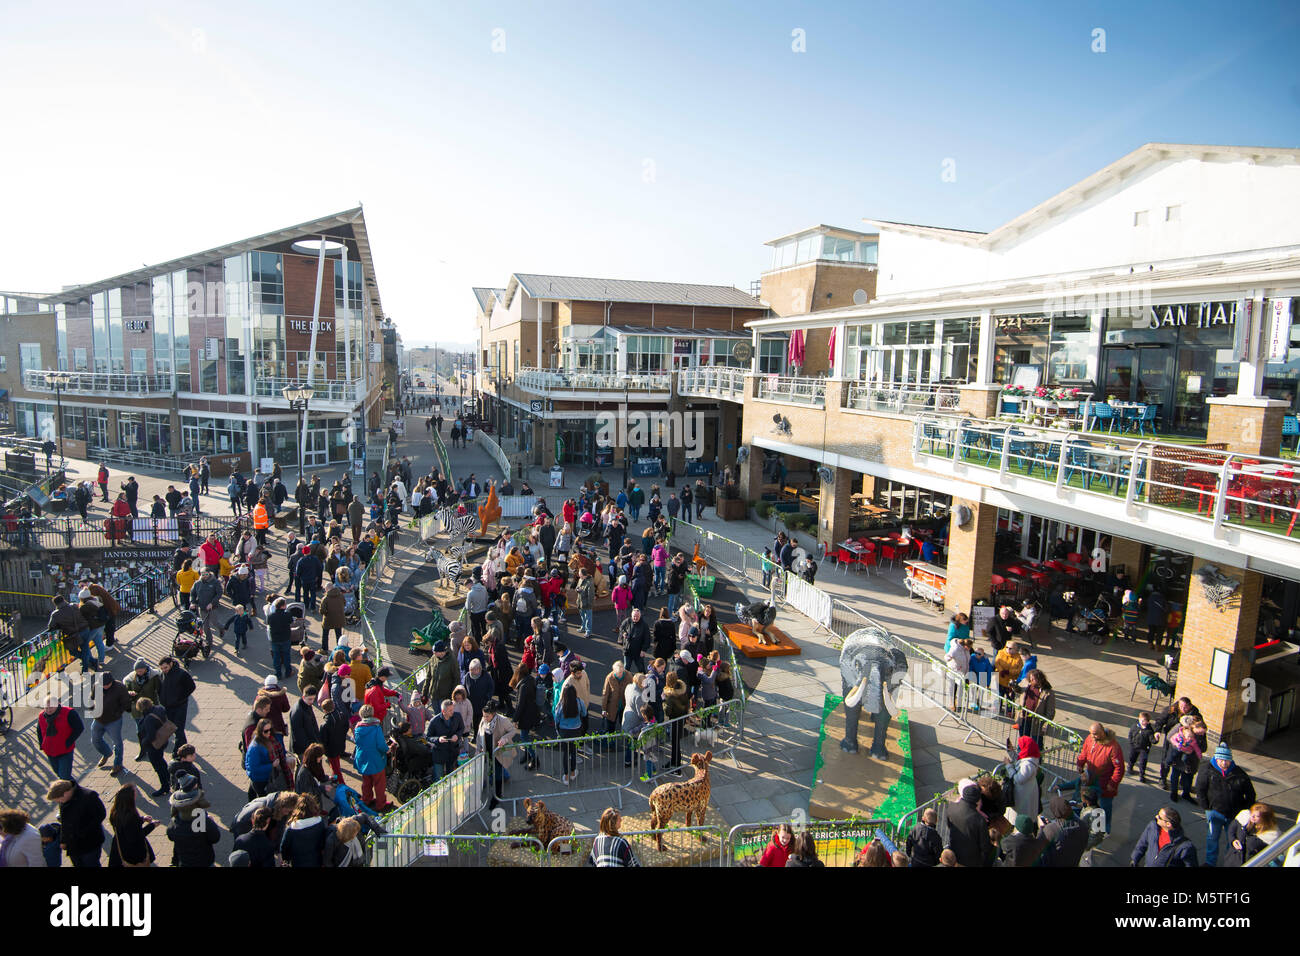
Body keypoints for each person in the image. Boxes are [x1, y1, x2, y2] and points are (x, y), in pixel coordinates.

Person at [1194, 743, 1256, 867]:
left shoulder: (1240, 774)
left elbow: (1250, 794)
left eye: (1227, 760)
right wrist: (1206, 807)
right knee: (1212, 838)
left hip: (1234, 815)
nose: (1224, 763)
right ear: (1216, 758)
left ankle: (1229, 862)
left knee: (1232, 840)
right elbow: (1200, 789)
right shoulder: (1207, 770)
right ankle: (1210, 863)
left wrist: (1243, 811)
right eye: (1221, 760)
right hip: (1214, 812)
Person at [46, 779, 106, 868]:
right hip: (73, 847)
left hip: (89, 844)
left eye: (59, 800)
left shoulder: (89, 796)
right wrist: (63, 840)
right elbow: (64, 822)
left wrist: (81, 832)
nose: (59, 803)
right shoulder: (64, 800)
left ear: (65, 793)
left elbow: (100, 815)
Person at [478, 700, 519, 808]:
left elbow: (513, 731)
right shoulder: (483, 721)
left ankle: (496, 796)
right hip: (488, 751)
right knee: (494, 771)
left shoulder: (503, 720)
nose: (484, 718)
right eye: (484, 716)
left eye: (487, 716)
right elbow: (479, 735)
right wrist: (480, 748)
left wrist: (504, 738)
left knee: (498, 774)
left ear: (493, 714)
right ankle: (502, 779)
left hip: (499, 752)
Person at [91, 670, 132, 778]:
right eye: (102, 685)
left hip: (114, 721)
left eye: (107, 685)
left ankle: (118, 764)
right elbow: (92, 698)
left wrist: (117, 713)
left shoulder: (120, 687)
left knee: (117, 743)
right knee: (95, 740)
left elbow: (126, 703)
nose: (104, 687)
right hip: (98, 719)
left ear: (112, 682)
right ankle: (106, 753)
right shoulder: (97, 686)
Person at [944, 780, 994, 867]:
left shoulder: (951, 807)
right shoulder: (979, 819)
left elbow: (949, 825)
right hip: (972, 860)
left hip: (955, 853)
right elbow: (985, 846)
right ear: (977, 800)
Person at [107, 784, 157, 867]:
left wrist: (141, 819)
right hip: (133, 853)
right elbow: (137, 836)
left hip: (120, 846)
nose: (136, 793)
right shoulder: (131, 816)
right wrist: (152, 825)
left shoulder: (115, 811)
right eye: (135, 792)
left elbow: (127, 827)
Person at [1130, 806, 1198, 867]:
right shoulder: (1153, 827)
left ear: (1168, 824)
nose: (1156, 817)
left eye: (1159, 817)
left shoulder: (1185, 847)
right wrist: (1135, 859)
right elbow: (1142, 843)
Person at [37, 696, 85, 781]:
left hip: (65, 751)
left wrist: (68, 742)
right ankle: (75, 791)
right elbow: (39, 731)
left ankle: (77, 792)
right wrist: (42, 745)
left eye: (51, 707)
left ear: (57, 704)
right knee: (60, 774)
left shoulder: (69, 713)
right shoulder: (41, 716)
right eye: (46, 708)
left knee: (64, 777)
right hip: (50, 751)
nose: (48, 710)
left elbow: (79, 727)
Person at [353, 704, 390, 812]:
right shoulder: (376, 727)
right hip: (375, 760)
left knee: (366, 782)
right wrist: (387, 749)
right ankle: (380, 804)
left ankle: (367, 800)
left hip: (362, 758)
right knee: (379, 784)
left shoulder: (357, 728)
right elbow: (380, 744)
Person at [133, 698, 172, 796]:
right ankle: (168, 777)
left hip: (154, 746)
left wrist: (144, 742)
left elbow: (151, 736)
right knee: (161, 760)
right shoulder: (159, 708)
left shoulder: (149, 719)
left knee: (158, 766)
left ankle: (165, 787)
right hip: (163, 740)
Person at [1222, 803, 1280, 868]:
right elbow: (1231, 829)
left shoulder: (1270, 836)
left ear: (1264, 819)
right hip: (1232, 861)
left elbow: (1273, 858)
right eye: (1252, 813)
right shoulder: (1244, 818)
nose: (1252, 816)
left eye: (1257, 816)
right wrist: (1233, 840)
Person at [280, 793, 328, 867]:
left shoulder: (291, 829)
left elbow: (284, 848)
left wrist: (287, 860)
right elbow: (323, 843)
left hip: (297, 863)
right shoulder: (320, 822)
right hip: (316, 862)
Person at [1128, 711, 1157, 783]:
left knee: (1143, 762)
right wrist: (1131, 742)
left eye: (1145, 721)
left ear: (1148, 721)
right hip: (1134, 746)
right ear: (1139, 719)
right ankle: (1130, 767)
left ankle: (1142, 774)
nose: (1143, 722)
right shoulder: (1135, 726)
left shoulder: (1149, 730)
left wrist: (1156, 739)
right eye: (1142, 720)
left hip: (1144, 748)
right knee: (1132, 757)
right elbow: (1130, 734)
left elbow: (1152, 740)